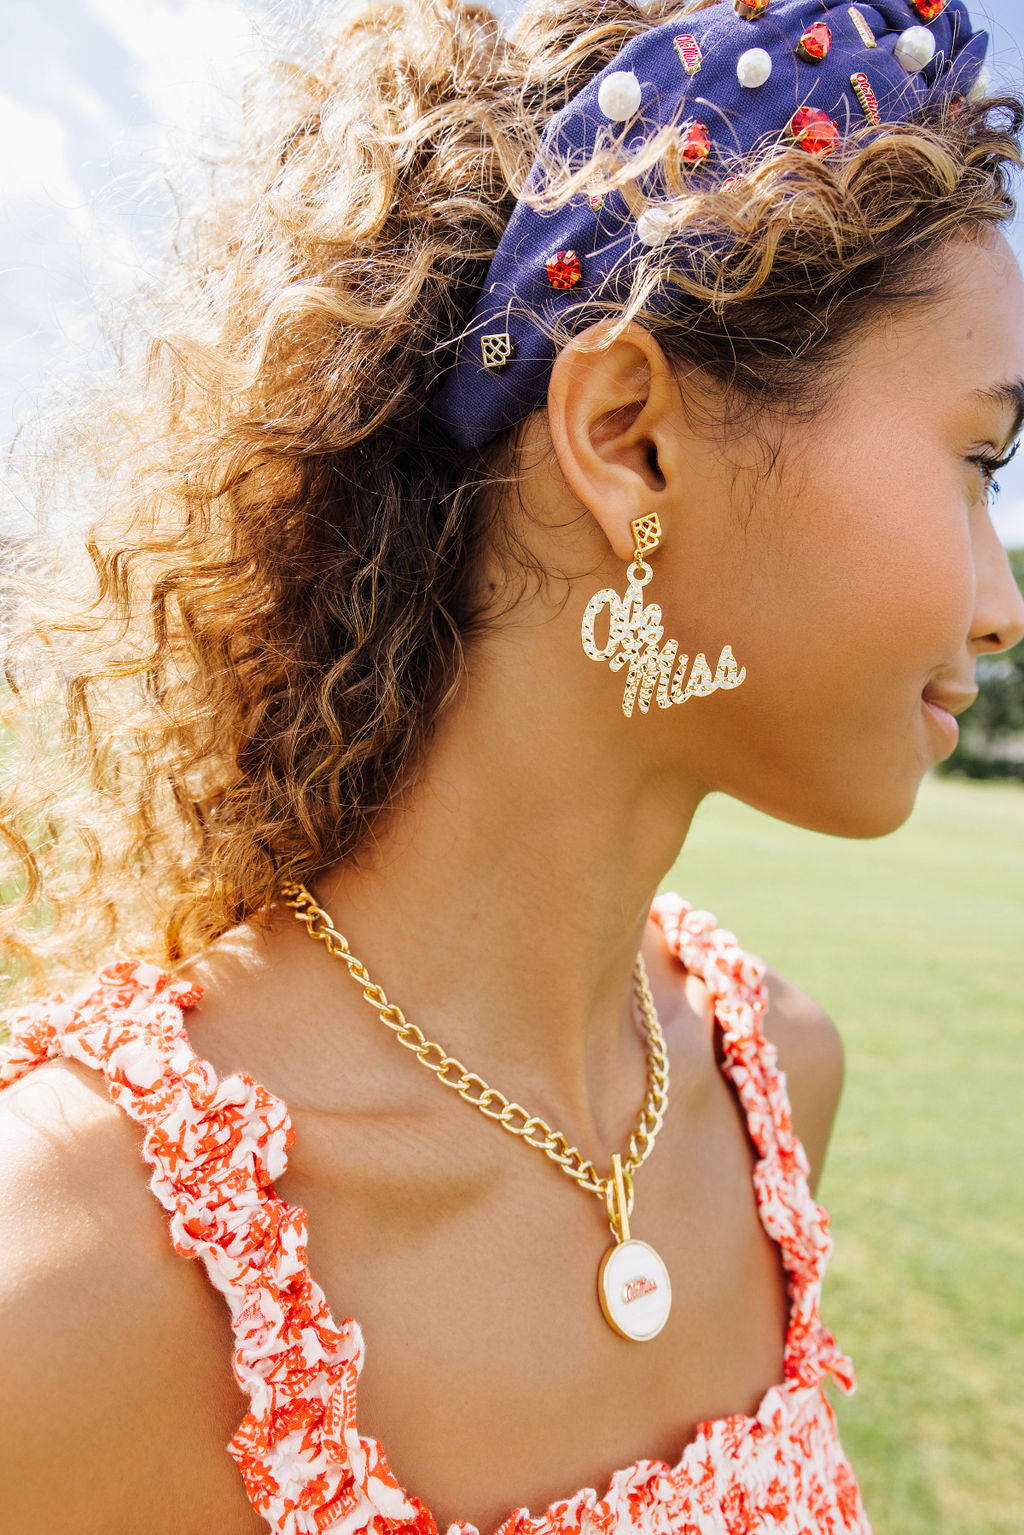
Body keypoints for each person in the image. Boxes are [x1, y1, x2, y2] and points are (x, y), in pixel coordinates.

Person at [1, 0, 1023, 1530]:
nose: (1002, 606)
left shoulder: (773, 1090)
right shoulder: (78, 1269)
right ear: (630, 438)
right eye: (977, 464)